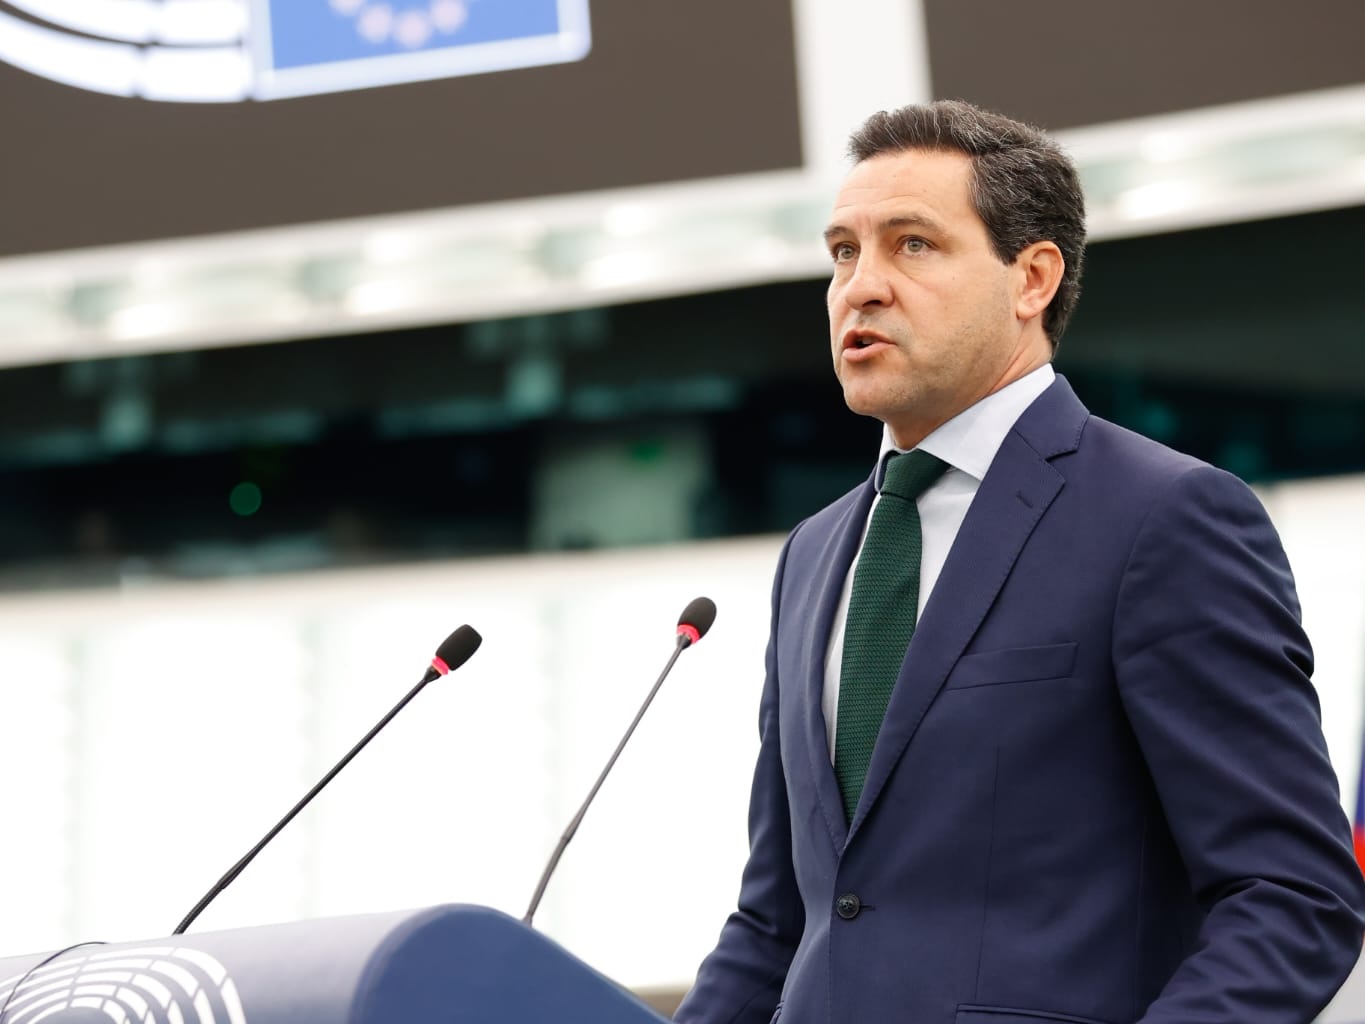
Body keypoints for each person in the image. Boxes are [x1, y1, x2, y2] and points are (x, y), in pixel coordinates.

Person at [674, 99, 1365, 1024]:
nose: (860, 287)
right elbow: (777, 920)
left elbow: (1290, 897)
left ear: (1031, 277)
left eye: (911, 244)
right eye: (842, 251)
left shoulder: (1163, 518)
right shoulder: (813, 554)